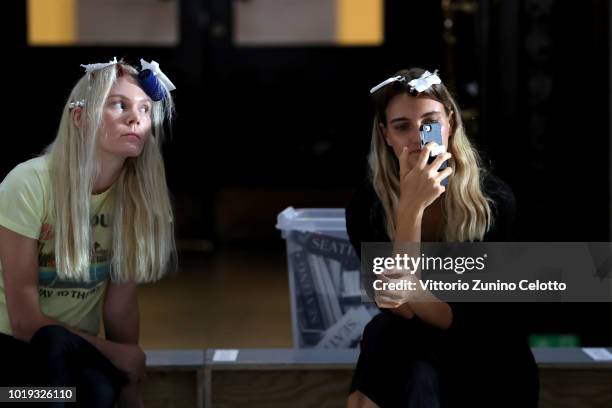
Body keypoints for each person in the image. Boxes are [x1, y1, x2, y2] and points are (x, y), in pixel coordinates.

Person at [345, 68, 539, 408]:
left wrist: (408, 288)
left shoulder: (494, 200)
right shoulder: (368, 207)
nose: (419, 138)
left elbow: (467, 322)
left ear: (450, 123)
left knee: (387, 346)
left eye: (430, 123)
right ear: (385, 135)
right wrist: (411, 209)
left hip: (486, 351)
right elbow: (398, 307)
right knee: (389, 336)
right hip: (411, 344)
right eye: (402, 126)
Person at [0, 58, 177, 407]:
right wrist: (115, 352)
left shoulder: (140, 199)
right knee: (52, 371)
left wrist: (131, 378)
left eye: (144, 108)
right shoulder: (29, 182)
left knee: (97, 391)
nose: (135, 117)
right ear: (80, 118)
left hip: (73, 356)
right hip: (11, 370)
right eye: (119, 105)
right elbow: (24, 323)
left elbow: (119, 309)